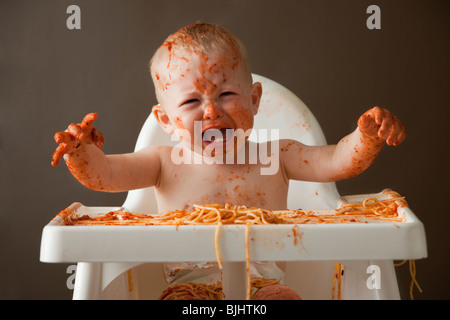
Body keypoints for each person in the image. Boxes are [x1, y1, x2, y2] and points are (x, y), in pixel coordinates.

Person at [51, 22, 406, 300]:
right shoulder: (162, 162)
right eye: (191, 103)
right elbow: (106, 175)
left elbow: (335, 162)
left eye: (227, 94)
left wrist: (367, 138)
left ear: (254, 100)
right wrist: (81, 153)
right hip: (188, 292)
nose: (211, 111)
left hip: (264, 288)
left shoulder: (276, 155)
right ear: (165, 120)